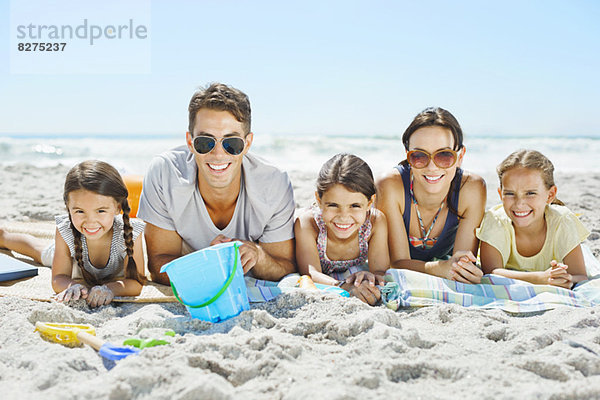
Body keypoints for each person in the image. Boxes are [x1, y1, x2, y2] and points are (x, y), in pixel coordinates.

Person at [137, 83, 296, 285]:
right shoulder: (165, 173)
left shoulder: (274, 182)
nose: (219, 154)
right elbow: (159, 266)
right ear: (189, 142)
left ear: (247, 143)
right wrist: (210, 263)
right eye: (206, 142)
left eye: (232, 143)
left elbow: (284, 267)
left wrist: (257, 255)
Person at [0, 160, 146, 307]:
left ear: (118, 208)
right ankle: (4, 237)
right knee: (39, 251)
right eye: (79, 211)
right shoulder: (67, 230)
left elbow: (136, 283)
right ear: (68, 208)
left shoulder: (130, 233)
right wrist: (73, 286)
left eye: (101, 211)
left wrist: (110, 289)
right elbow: (58, 278)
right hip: (74, 257)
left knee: (40, 249)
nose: (90, 221)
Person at [377, 107, 486, 283]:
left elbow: (462, 265)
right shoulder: (390, 186)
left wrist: (459, 267)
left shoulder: (471, 188)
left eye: (444, 155)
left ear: (460, 156)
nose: (432, 167)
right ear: (408, 157)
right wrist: (440, 268)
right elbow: (394, 265)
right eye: (419, 156)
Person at [477, 150, 589, 288]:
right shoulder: (495, 221)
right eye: (510, 193)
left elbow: (580, 275)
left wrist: (563, 279)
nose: (519, 204)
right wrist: (539, 278)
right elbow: (490, 274)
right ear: (500, 194)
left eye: (530, 193)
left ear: (550, 195)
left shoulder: (562, 221)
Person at [294, 154, 389, 305]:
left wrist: (368, 278)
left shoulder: (375, 222)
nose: (344, 217)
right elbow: (311, 272)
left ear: (370, 202)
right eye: (333, 205)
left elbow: (380, 271)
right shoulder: (309, 224)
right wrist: (343, 286)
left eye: (355, 206)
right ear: (319, 200)